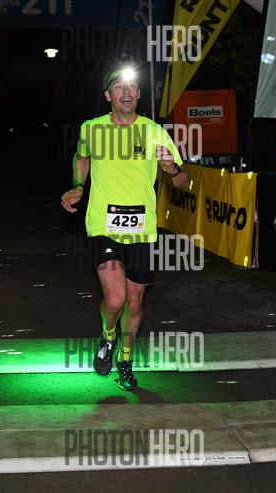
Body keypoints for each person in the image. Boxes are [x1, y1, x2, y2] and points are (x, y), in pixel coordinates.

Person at [60, 67, 190, 391]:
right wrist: (78, 185)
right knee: (116, 298)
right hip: (103, 225)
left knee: (134, 302)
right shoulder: (92, 128)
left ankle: (125, 359)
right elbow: (81, 157)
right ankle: (108, 337)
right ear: (108, 95)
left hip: (141, 231)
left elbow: (184, 182)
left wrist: (173, 169)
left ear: (139, 94)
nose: (126, 91)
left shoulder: (154, 132)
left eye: (132, 86)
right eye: (119, 86)